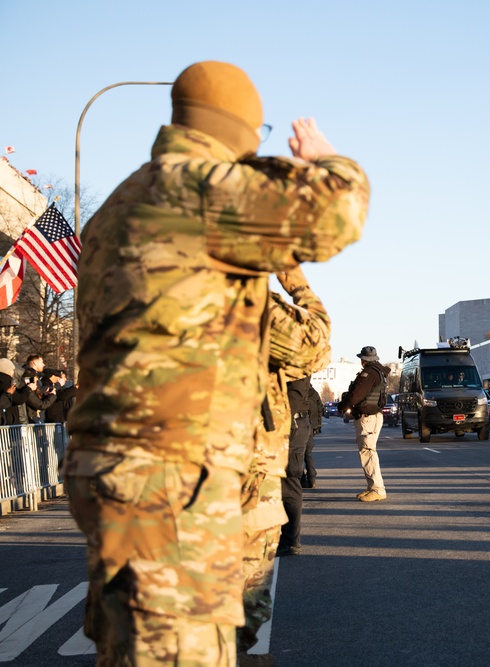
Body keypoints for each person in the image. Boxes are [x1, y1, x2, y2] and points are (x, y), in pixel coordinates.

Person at [64, 60, 369, 667]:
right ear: (243, 131)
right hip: (173, 482)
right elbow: (339, 212)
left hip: (114, 471)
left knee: (141, 647)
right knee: (180, 652)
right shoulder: (199, 191)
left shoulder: (113, 211)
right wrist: (327, 160)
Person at [239, 267, 330, 661]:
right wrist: (293, 278)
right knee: (241, 614)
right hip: (239, 475)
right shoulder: (238, 299)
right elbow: (317, 346)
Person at [339, 346, 389, 502]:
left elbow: (357, 394)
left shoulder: (369, 373)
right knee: (368, 452)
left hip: (368, 418)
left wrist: (343, 405)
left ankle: (377, 489)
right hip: (372, 416)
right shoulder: (379, 372)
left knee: (368, 452)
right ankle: (372, 487)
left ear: (364, 360)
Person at [303, 385, 323, 489]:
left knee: (296, 453)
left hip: (300, 424)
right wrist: (318, 425)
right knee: (308, 453)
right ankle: (311, 479)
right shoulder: (313, 392)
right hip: (311, 425)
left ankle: (302, 479)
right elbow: (320, 408)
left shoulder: (297, 389)